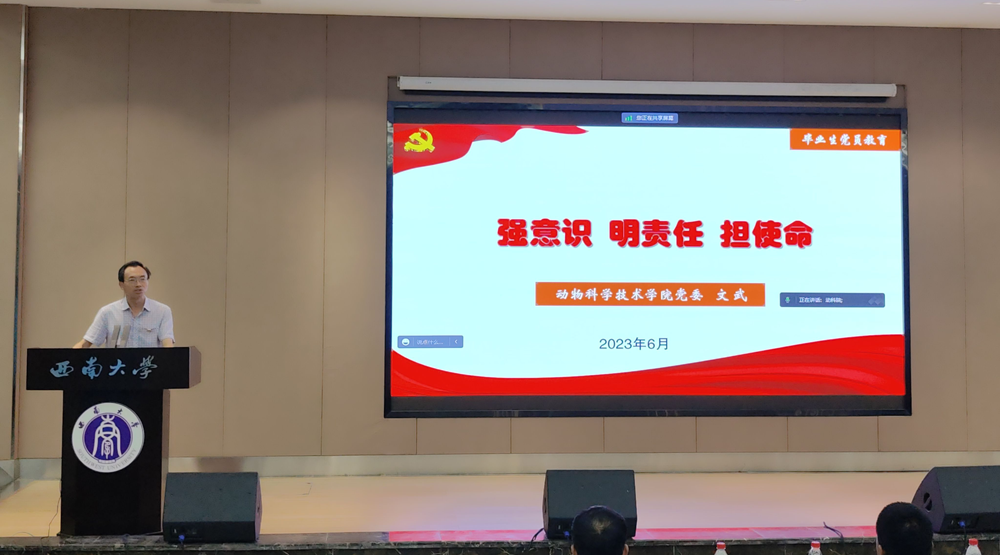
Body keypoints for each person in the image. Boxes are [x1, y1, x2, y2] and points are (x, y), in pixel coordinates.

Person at [73, 261, 174, 348]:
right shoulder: (108, 312)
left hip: (148, 364)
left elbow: (168, 345)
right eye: (132, 280)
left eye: (143, 279)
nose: (138, 284)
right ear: (121, 285)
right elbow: (85, 343)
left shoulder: (162, 311)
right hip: (118, 364)